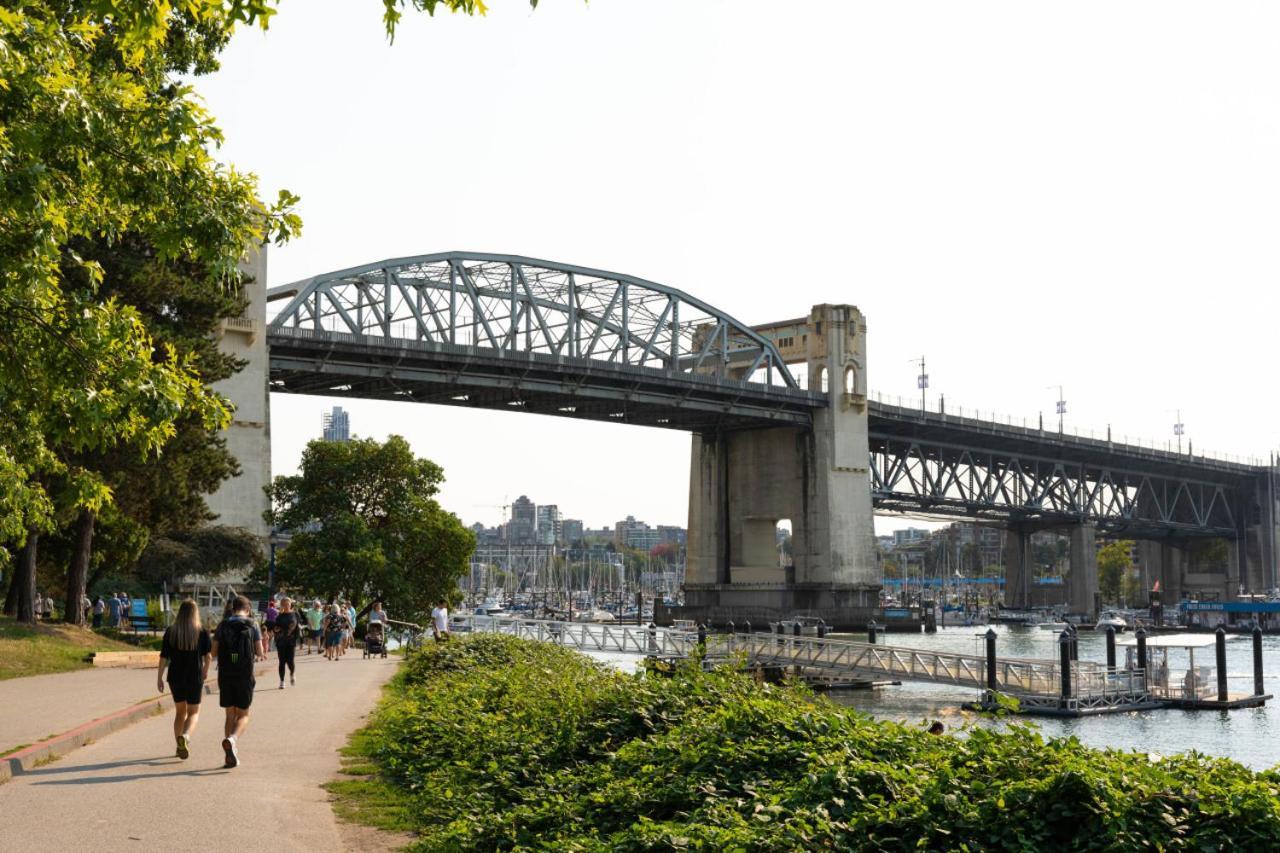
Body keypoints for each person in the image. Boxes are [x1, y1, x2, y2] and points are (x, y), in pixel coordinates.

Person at [210, 595, 265, 768]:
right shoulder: (253, 625)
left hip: (226, 674)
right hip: (244, 675)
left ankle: (228, 754)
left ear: (233, 609)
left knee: (229, 715)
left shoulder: (223, 625)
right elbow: (259, 652)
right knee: (243, 715)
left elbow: (213, 652)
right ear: (248, 610)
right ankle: (232, 740)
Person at [157, 600, 212, 759]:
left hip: (175, 677)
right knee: (194, 712)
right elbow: (207, 656)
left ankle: (178, 746)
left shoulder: (171, 631)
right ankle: (186, 737)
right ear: (195, 613)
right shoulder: (201, 632)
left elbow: (164, 657)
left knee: (180, 712)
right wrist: (205, 671)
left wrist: (159, 677)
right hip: (194, 676)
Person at [273, 597, 301, 688]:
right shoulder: (279, 616)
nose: (285, 606)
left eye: (287, 604)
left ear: (290, 604)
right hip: (281, 641)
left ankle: (292, 674)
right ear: (281, 605)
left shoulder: (295, 614)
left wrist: (298, 639)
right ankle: (282, 681)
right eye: (283, 604)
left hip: (291, 641)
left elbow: (298, 627)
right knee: (282, 662)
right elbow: (275, 628)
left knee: (290, 661)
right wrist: (276, 629)